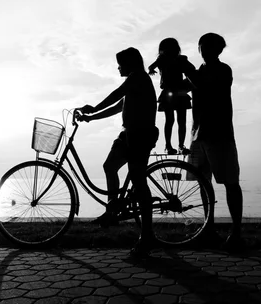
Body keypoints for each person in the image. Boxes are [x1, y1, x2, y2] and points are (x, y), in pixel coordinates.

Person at [78, 47, 159, 256]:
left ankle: (148, 235)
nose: (118, 67)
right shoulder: (134, 80)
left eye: (120, 63)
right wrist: (91, 117)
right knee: (109, 166)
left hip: (140, 135)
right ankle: (112, 210)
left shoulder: (137, 77)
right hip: (128, 134)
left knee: (139, 182)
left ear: (130, 63)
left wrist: (93, 108)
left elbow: (115, 95)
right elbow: (117, 107)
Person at [182, 33, 244, 251]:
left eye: (209, 47)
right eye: (203, 46)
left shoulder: (223, 70)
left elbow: (203, 85)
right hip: (199, 135)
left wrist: (185, 67)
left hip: (220, 134)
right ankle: (208, 229)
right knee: (203, 182)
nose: (205, 50)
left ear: (219, 50)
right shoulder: (197, 72)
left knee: (230, 182)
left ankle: (236, 232)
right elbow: (179, 88)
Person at [148, 37, 192, 155]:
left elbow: (151, 66)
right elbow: (192, 70)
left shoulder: (167, 59)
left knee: (173, 120)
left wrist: (151, 69)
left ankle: (174, 146)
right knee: (177, 121)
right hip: (177, 92)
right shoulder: (174, 59)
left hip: (172, 92)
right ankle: (176, 145)